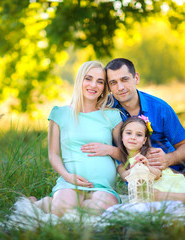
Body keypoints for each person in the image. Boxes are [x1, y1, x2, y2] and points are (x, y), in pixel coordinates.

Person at [82, 58, 185, 195]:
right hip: (138, 168)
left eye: (124, 79)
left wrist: (167, 160)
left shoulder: (159, 108)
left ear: (136, 78)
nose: (120, 87)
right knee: (170, 191)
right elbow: (81, 104)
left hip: (172, 159)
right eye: (113, 83)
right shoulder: (105, 108)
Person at [31, 61, 123, 217]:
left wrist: (110, 149)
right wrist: (67, 176)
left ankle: (46, 203)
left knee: (99, 210)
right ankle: (48, 202)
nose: (93, 85)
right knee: (63, 210)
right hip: (69, 182)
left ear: (104, 88)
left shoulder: (112, 116)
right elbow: (53, 154)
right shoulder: (59, 114)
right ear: (80, 80)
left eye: (100, 81)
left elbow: (125, 154)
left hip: (103, 186)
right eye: (88, 78)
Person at [117, 116, 185, 209]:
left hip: (164, 182)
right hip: (148, 188)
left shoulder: (149, 153)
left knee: (149, 193)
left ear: (144, 140)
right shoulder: (122, 165)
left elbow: (158, 174)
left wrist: (146, 167)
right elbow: (125, 176)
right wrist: (137, 167)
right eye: (129, 133)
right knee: (144, 194)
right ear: (122, 136)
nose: (133, 137)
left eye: (139, 135)